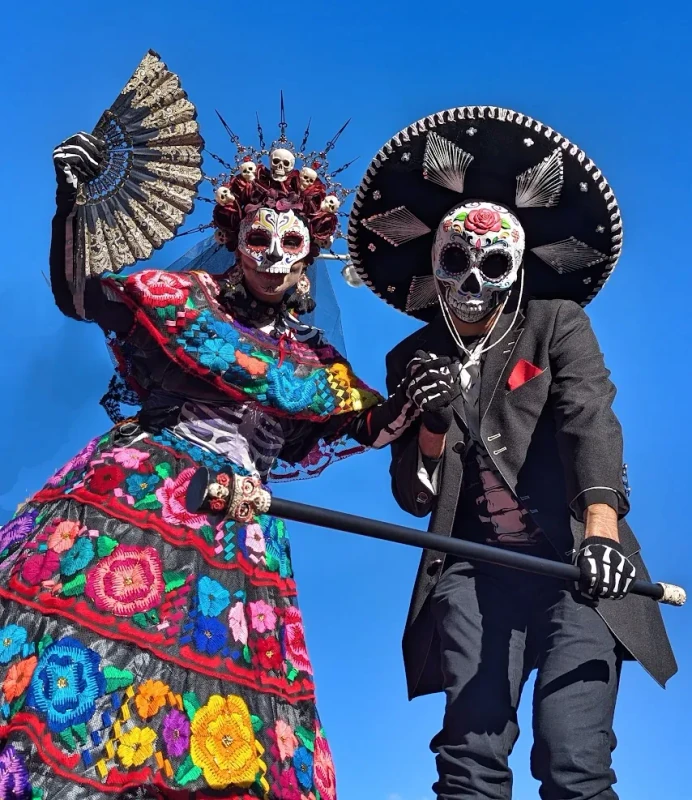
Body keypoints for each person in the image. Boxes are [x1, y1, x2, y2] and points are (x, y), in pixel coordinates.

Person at [0, 59, 435, 799]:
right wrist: (69, 206)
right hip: (141, 496)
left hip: (239, 529)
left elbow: (366, 421)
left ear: (310, 254)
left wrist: (413, 404)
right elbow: (82, 297)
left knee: (215, 718)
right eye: (261, 238)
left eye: (291, 245)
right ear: (236, 237)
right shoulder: (186, 300)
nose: (272, 256)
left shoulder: (313, 361)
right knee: (90, 657)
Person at [347, 106, 677, 800]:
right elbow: (413, 494)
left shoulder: (558, 324)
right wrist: (429, 422)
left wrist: (600, 535)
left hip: (576, 571)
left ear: (517, 269)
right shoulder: (411, 354)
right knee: (470, 759)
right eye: (455, 261)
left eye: (492, 263)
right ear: (434, 265)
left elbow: (589, 417)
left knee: (573, 761)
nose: (471, 281)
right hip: (476, 572)